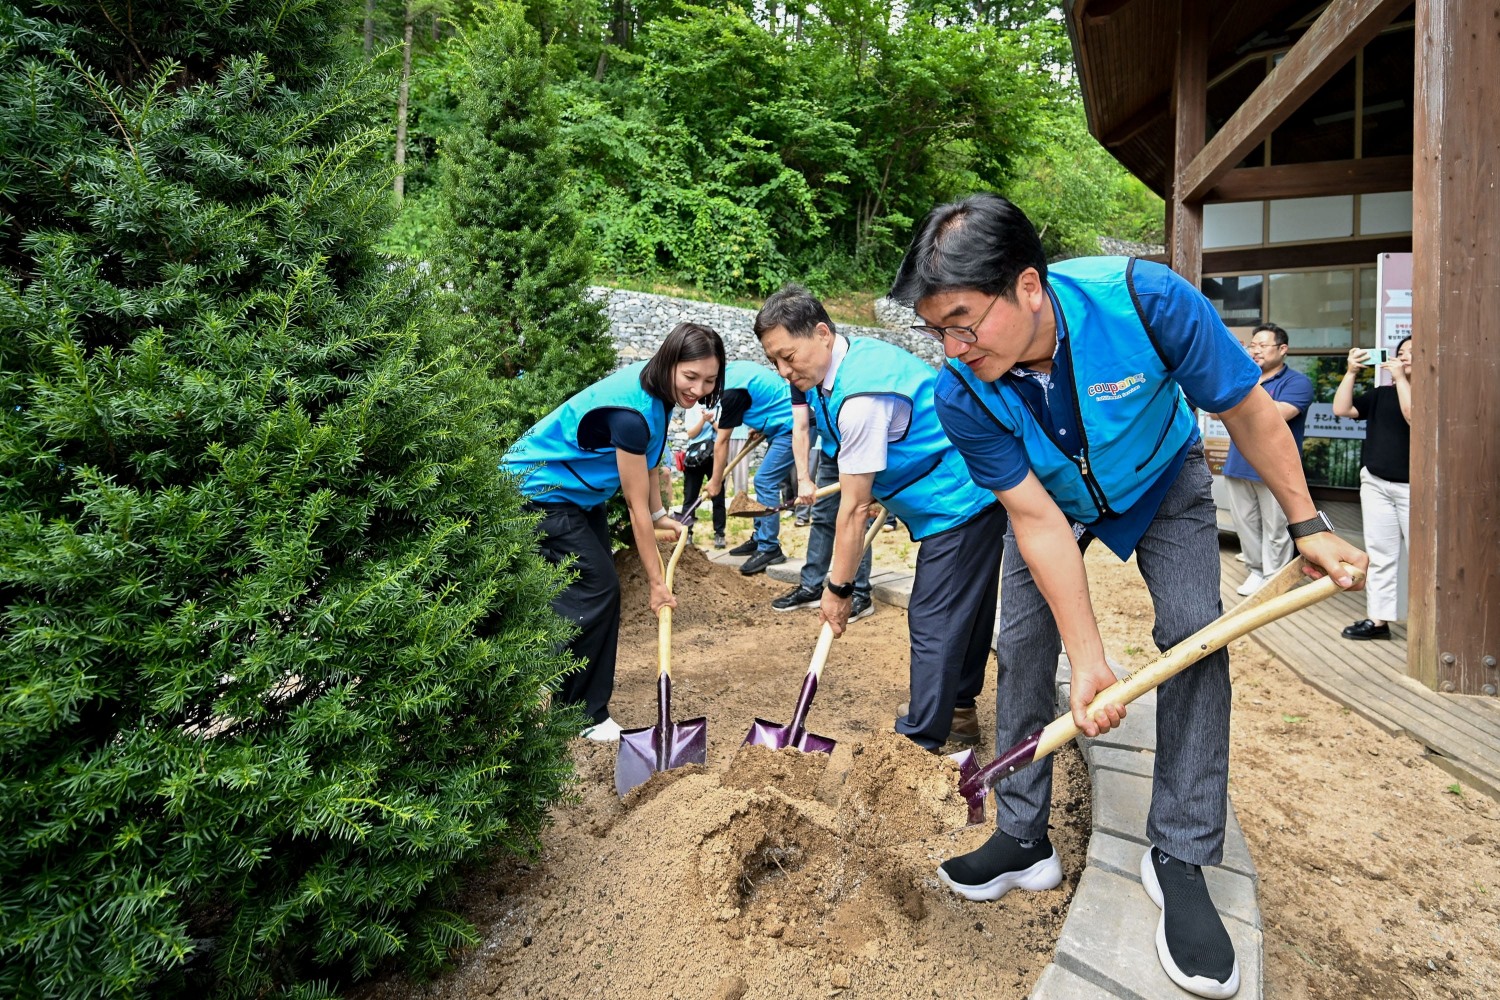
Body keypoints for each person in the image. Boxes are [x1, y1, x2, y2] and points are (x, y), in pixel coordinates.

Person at [890, 193, 1367, 1000]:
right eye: (936, 331)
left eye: (965, 323)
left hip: (1163, 480)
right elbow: (1037, 521)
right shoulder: (962, 393)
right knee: (1026, 641)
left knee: (1194, 634)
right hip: (1054, 499)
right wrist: (1089, 657)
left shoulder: (1144, 300)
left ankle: (1179, 854)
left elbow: (1246, 408)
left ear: (1030, 287)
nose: (953, 347)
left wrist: (1307, 521)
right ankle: (1020, 835)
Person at [755, 285, 1005, 751]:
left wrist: (839, 589)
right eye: (776, 362)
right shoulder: (834, 375)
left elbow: (851, 510)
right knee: (963, 611)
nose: (785, 371)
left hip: (961, 499)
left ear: (823, 334)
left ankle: (919, 743)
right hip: (951, 498)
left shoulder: (862, 397)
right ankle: (959, 713)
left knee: (934, 616)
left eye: (789, 356)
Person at [501, 323, 725, 742]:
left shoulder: (658, 393)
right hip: (536, 490)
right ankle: (577, 711)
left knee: (594, 593)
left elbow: (651, 464)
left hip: (578, 496)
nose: (698, 388)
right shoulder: (630, 414)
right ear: (669, 362)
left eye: (709, 380)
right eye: (690, 376)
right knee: (597, 590)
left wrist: (661, 514)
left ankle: (568, 697)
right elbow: (635, 511)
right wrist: (657, 584)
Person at [769, 388, 876, 623]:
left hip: (860, 448)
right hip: (830, 453)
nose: (787, 371)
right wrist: (803, 478)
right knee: (822, 517)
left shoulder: (846, 375)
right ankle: (811, 588)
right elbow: (801, 427)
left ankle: (859, 592)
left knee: (857, 517)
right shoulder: (797, 380)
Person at [1222, 323, 1315, 596]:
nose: (1256, 351)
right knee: (1245, 525)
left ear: (1282, 349)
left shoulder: (1297, 382)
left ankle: (1274, 578)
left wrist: (1237, 402)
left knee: (1276, 527)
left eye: (1263, 345)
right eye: (1253, 345)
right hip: (1238, 465)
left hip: (1277, 469)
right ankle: (1256, 571)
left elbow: (1277, 414)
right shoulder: (1246, 378)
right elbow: (1216, 411)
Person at [1332, 336, 1412, 641]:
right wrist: (1351, 372)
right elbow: (1342, 409)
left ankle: (1429, 621)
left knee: (1420, 555)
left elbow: (1413, 416)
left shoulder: (1433, 393)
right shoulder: (1381, 394)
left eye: (1412, 353)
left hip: (1414, 488)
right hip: (1377, 482)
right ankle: (1378, 620)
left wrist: (1402, 380)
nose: (1404, 358)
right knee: (1380, 552)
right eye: (1400, 353)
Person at [706, 360, 797, 575]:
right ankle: (759, 538)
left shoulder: (731, 393)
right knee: (763, 481)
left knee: (765, 481)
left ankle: (769, 548)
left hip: (793, 426)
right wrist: (762, 426)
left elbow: (722, 442)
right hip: (779, 425)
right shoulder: (732, 374)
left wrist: (715, 481)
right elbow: (765, 399)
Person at [679, 401, 726, 548]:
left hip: (716, 455)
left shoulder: (721, 406)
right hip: (696, 456)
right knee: (690, 497)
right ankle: (687, 533)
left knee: (718, 497)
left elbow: (723, 432)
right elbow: (691, 433)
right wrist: (703, 420)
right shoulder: (692, 406)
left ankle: (719, 534)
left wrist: (711, 420)